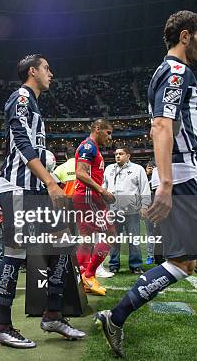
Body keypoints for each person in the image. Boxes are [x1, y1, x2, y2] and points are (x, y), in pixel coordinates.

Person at [95, 10, 197, 361]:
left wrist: (167, 182)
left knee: (183, 262)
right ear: (185, 36)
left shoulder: (162, 73)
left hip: (180, 178)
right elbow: (161, 127)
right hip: (189, 176)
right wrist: (164, 184)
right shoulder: (178, 71)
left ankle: (115, 317)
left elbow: (158, 127)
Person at [0, 54, 85, 348]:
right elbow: (20, 142)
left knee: (62, 243)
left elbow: (35, 150)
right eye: (46, 68)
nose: (51, 73)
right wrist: (49, 182)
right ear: (32, 71)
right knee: (16, 252)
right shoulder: (20, 97)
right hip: (18, 187)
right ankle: (3, 326)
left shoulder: (34, 105)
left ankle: (53, 314)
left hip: (35, 189)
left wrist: (49, 183)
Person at [72, 119, 116, 296]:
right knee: (110, 234)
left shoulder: (91, 147)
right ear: (98, 129)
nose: (110, 137)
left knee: (87, 238)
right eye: (108, 132)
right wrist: (102, 190)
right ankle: (89, 275)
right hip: (89, 195)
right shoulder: (88, 147)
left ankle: (83, 275)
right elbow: (80, 173)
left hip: (83, 196)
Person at [104, 147, 151, 274]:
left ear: (128, 156)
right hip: (114, 211)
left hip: (132, 211)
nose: (118, 156)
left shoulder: (137, 169)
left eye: (121, 154)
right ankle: (114, 264)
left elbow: (144, 189)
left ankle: (135, 265)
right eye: (116, 154)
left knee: (134, 239)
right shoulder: (109, 169)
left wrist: (145, 206)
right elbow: (104, 188)